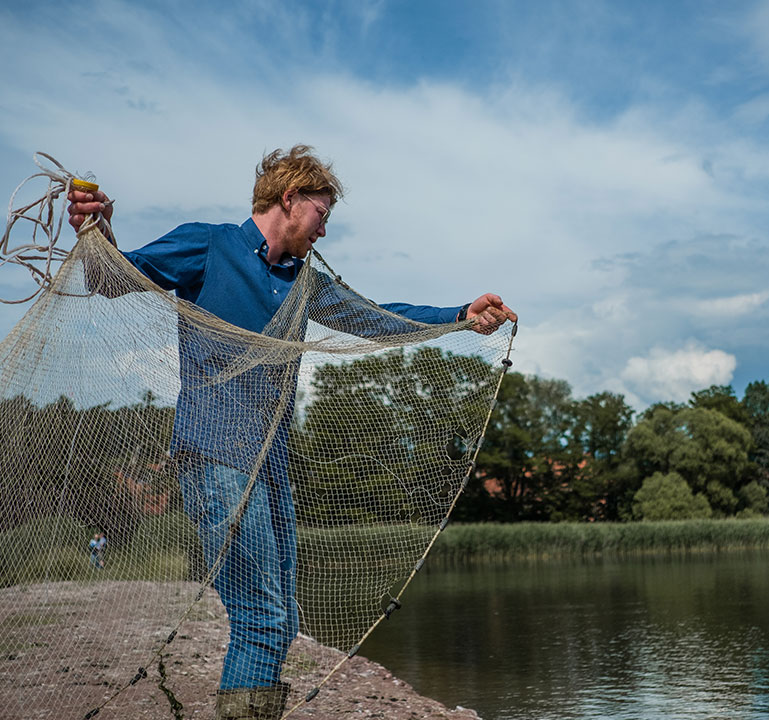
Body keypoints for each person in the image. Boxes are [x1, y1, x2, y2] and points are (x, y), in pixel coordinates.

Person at [67, 145, 516, 720]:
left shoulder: (304, 283)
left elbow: (376, 318)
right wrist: (97, 231)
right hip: (215, 457)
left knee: (282, 620)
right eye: (321, 215)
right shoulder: (210, 245)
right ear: (290, 199)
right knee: (261, 616)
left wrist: (459, 315)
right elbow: (112, 278)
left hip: (270, 463)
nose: (323, 231)